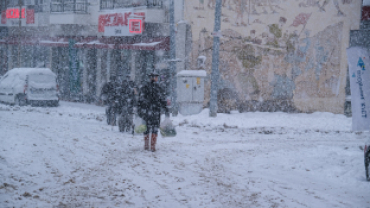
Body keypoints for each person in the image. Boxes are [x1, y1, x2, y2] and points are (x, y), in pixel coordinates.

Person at [137, 71, 169, 152]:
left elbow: (140, 100)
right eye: (156, 77)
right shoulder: (159, 87)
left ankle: (146, 145)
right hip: (155, 111)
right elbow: (162, 100)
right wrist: (166, 110)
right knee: (155, 128)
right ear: (155, 78)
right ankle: (152, 146)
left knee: (146, 128)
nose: (156, 78)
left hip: (146, 111)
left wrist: (140, 109)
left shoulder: (144, 87)